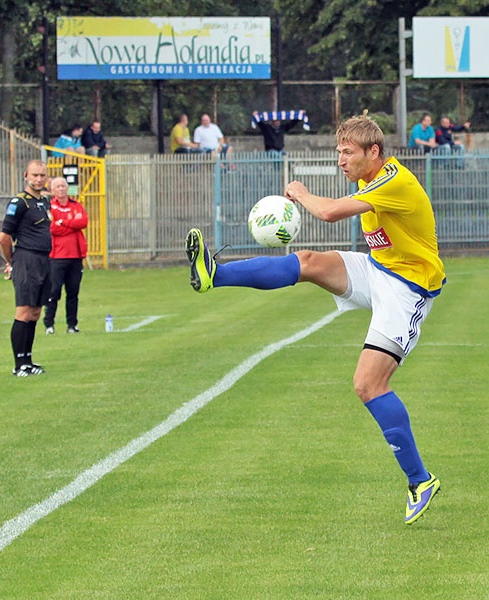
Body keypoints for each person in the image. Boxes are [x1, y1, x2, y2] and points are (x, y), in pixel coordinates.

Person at [185, 114, 445, 524]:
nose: (340, 160)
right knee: (306, 262)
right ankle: (213, 274)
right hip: (379, 269)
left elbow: (328, 214)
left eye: (347, 152)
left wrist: (301, 194)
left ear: (373, 152)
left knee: (368, 383)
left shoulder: (395, 181)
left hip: (407, 288)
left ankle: (420, 480)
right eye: (337, 151)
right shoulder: (369, 178)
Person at [0, 159, 52, 377]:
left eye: (42, 175)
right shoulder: (19, 202)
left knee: (36, 312)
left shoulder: (43, 202)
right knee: (23, 311)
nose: (38, 179)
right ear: (25, 176)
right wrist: (11, 262)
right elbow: (3, 238)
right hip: (27, 259)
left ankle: (28, 360)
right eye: (34, 175)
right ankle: (18, 364)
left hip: (43, 260)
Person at [44, 177, 88, 335]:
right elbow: (52, 229)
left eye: (63, 186)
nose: (61, 189)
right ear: (52, 190)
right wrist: (70, 224)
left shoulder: (76, 205)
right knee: (54, 291)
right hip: (57, 256)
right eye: (58, 186)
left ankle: (72, 324)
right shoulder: (50, 207)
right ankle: (49, 324)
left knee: (73, 292)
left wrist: (63, 222)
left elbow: (83, 222)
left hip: (76, 255)